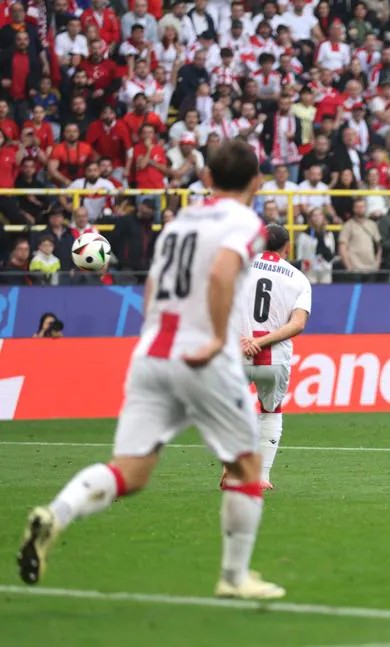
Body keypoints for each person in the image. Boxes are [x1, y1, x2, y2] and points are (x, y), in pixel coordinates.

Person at [17, 140, 284, 600]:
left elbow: (157, 282)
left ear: (206, 180)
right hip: (204, 357)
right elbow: (223, 273)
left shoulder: (181, 221)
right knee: (246, 467)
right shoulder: (244, 222)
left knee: (131, 471)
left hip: (154, 352)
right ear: (256, 182)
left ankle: (57, 514)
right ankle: (235, 576)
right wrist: (218, 339)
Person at [234, 224, 311, 490]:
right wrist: (262, 341)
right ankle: (261, 475)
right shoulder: (298, 278)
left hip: (238, 352)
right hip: (274, 357)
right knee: (271, 411)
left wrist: (242, 340)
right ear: (287, 247)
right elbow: (298, 324)